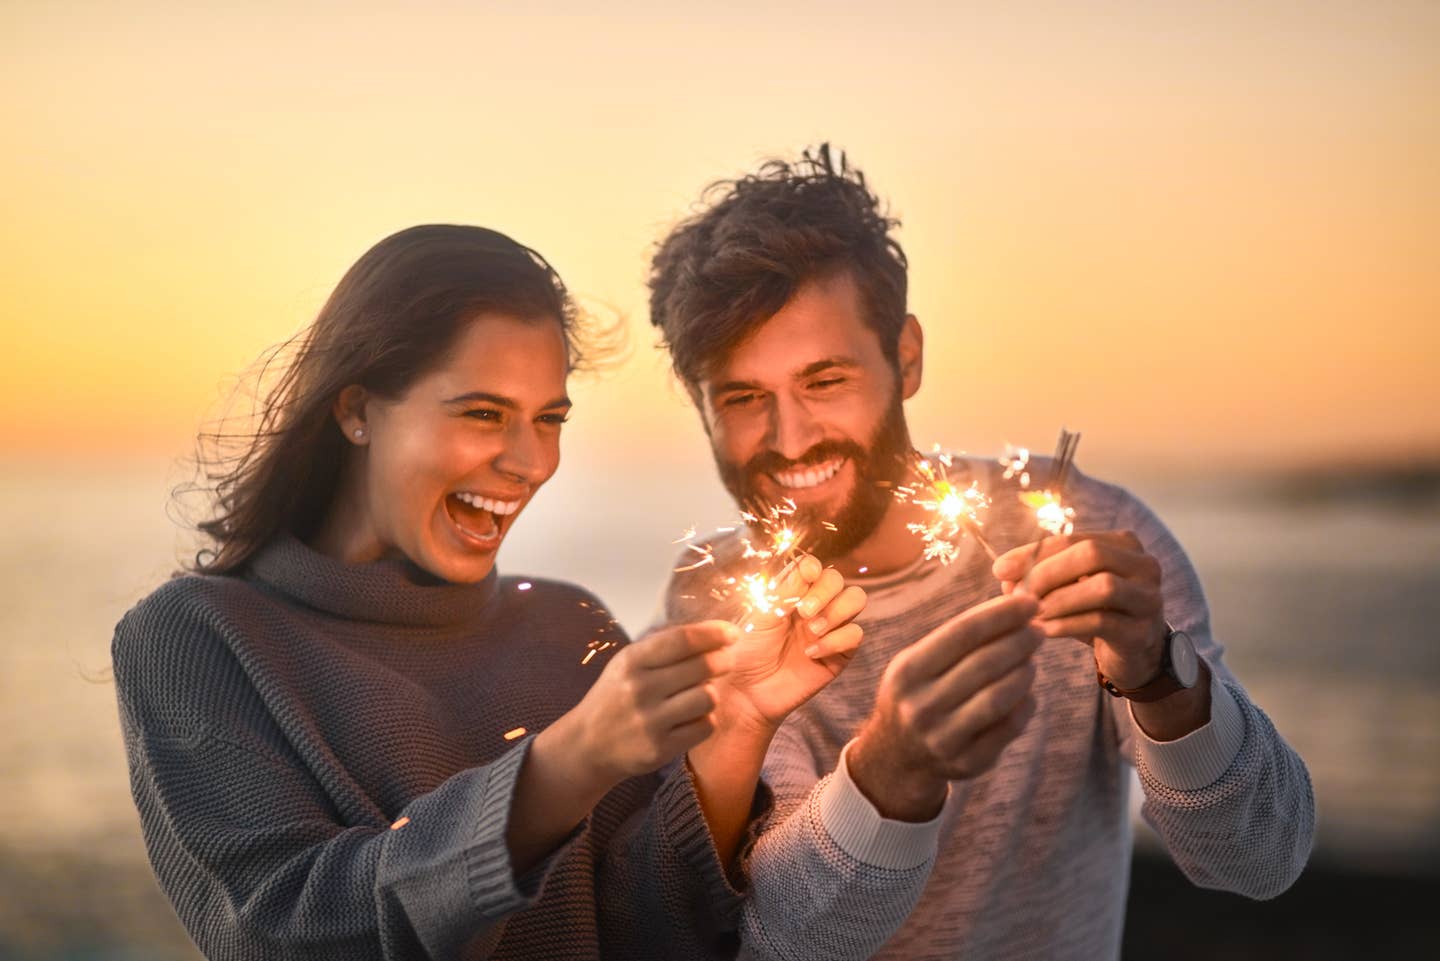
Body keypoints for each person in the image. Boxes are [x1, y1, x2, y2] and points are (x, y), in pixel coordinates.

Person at [111, 224, 865, 960]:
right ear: (357, 410)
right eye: (483, 413)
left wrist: (732, 729)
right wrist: (562, 767)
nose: (531, 461)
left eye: (549, 420)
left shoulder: (569, 625)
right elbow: (282, 931)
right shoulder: (195, 639)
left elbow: (657, 935)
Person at [647, 148, 1316, 960]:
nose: (790, 441)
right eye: (745, 398)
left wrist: (1158, 677)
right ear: (700, 406)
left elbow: (1259, 859)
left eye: (824, 381)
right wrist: (892, 769)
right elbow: (780, 938)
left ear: (907, 357)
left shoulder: (1086, 532)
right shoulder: (713, 607)